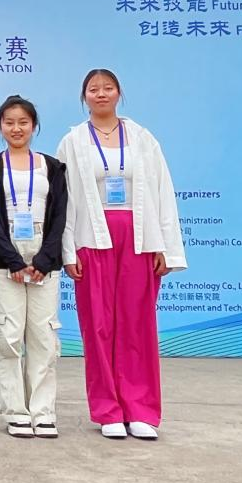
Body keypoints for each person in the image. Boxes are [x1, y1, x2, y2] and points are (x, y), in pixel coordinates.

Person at [57, 68, 188, 441]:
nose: (101, 94)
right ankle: (108, 410)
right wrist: (68, 250)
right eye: (93, 89)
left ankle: (140, 409)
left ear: (119, 93)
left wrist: (164, 246)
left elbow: (163, 191)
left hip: (138, 238)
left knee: (137, 324)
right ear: (84, 96)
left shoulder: (143, 138)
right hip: (92, 239)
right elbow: (64, 200)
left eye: (108, 88)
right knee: (98, 325)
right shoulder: (73, 141)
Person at [0, 95, 68, 439]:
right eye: (9, 122)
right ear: (0, 127)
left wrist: (44, 259)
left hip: (44, 258)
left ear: (34, 126)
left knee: (43, 337)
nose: (16, 128)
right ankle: (15, 411)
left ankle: (43, 412)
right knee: (8, 337)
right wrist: (13, 260)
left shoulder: (52, 167)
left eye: (23, 122)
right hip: (3, 259)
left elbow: (60, 216)